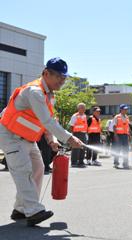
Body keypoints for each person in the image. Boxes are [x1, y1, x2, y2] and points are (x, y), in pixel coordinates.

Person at [0, 57, 83, 226]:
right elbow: (47, 121)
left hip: (27, 138)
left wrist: (51, 140)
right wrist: (69, 138)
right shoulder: (34, 92)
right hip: (10, 135)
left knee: (38, 169)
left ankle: (21, 209)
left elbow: (45, 121)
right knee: (23, 171)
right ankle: (34, 210)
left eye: (64, 78)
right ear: (46, 73)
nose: (62, 81)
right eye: (59, 76)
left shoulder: (48, 95)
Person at [113, 104, 131, 169]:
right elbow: (114, 126)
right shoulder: (117, 117)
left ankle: (125, 163)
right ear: (121, 109)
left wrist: (129, 135)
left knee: (126, 150)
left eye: (126, 109)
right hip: (119, 135)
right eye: (124, 109)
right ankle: (116, 163)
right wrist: (115, 135)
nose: (126, 110)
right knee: (117, 149)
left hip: (125, 135)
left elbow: (127, 127)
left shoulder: (127, 117)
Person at [69, 103, 88, 168]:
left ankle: (81, 161)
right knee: (76, 148)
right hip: (77, 133)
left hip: (83, 133)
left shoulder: (85, 115)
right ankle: (74, 162)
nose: (83, 109)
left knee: (83, 147)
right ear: (78, 108)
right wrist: (73, 135)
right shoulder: (75, 116)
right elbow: (71, 126)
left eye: (84, 107)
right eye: (82, 107)